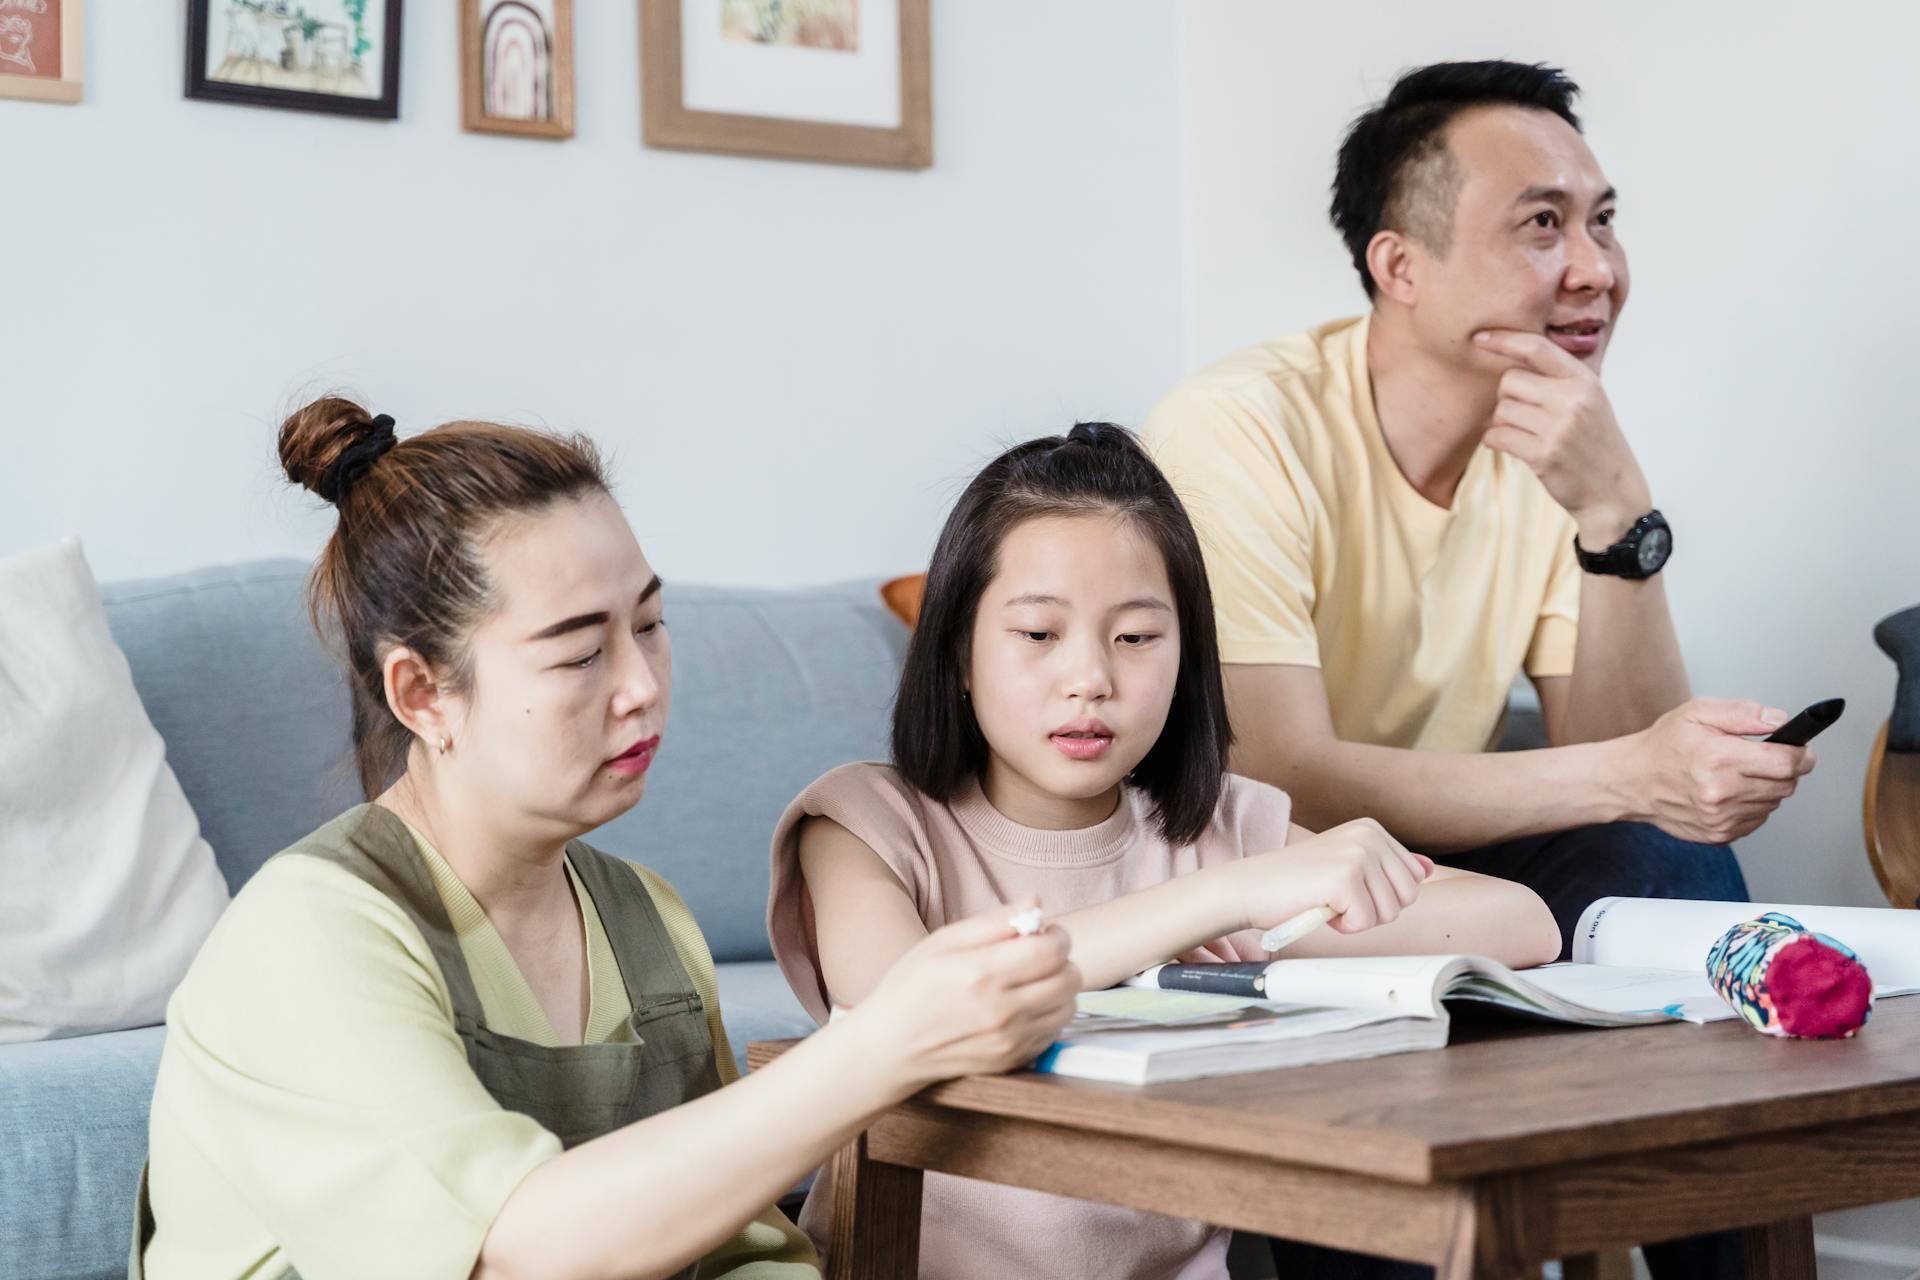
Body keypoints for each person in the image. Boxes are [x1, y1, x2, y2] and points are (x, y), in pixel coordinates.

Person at [135, 399, 1080, 1280]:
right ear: (424, 694)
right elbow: (513, 1250)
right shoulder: (308, 936)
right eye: (582, 652)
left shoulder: (645, 923)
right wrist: (881, 1045)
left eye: (652, 625)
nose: (642, 685)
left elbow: (741, 1253)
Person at [1141, 59, 1796, 1280]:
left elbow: (1644, 772)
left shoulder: (1546, 443)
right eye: (1542, 223)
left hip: (1426, 863)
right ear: (1401, 265)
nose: (1595, 266)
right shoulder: (1242, 426)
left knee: (1676, 860)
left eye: (1602, 220)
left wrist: (1618, 513)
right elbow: (1281, 772)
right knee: (1618, 849)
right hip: (1246, 874)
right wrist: (1634, 774)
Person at [767, 423, 1559, 1280]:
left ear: (1186, 656)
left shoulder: (1213, 830)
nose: (1091, 679)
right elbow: (913, 1008)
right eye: (1038, 635)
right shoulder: (865, 822)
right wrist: (1220, 900)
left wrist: (1276, 883)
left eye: (1137, 637)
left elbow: (1522, 923)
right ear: (959, 650)